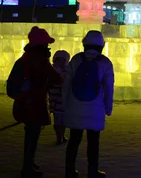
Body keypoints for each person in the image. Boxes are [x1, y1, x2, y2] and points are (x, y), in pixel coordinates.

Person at [12, 27, 63, 178]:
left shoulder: (26, 57)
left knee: (31, 134)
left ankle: (29, 162)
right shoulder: (39, 59)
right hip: (34, 103)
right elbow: (55, 78)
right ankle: (27, 167)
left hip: (25, 102)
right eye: (46, 44)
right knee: (32, 136)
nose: (48, 47)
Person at [63, 30, 115, 178]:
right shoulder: (105, 62)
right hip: (95, 107)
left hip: (75, 105)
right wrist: (108, 107)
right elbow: (108, 87)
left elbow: (66, 83)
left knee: (74, 140)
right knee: (93, 142)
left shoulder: (76, 59)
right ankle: (93, 171)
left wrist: (65, 103)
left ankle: (69, 170)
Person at [49, 50, 71, 144]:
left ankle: (60, 136)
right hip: (59, 99)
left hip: (57, 98)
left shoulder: (52, 69)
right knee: (60, 119)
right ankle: (60, 136)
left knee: (61, 120)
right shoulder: (68, 70)